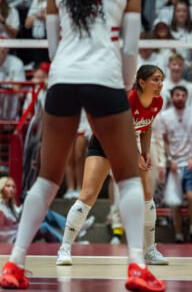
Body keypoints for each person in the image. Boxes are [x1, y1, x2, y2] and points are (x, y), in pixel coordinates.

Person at [0, 0, 166, 292]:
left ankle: (15, 261)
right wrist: (122, 88)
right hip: (103, 78)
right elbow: (131, 51)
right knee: (128, 177)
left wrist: (66, 73)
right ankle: (137, 266)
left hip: (62, 79)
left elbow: (53, 47)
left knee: (47, 179)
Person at [56, 65, 168, 265]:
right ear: (141, 82)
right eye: (156, 79)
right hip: (105, 141)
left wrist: (145, 152)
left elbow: (146, 127)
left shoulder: (157, 102)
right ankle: (64, 248)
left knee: (147, 195)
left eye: (161, 79)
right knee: (88, 194)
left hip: (127, 144)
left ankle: (150, 251)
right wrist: (136, 156)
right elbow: (117, 132)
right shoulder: (128, 100)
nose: (160, 84)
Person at [157, 85, 192, 243]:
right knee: (175, 201)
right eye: (177, 95)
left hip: (190, 162)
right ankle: (178, 234)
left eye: (183, 95)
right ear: (172, 96)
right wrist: (170, 159)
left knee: (191, 196)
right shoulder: (165, 116)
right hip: (174, 163)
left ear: (186, 97)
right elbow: (164, 140)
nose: (180, 97)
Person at [0, 177, 68, 243]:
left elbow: (15, 215)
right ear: (0, 187)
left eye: (13, 187)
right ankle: (68, 240)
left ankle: (70, 229)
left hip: (17, 232)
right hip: (12, 239)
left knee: (43, 211)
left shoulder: (7, 203)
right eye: (8, 186)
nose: (11, 189)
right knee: (43, 228)